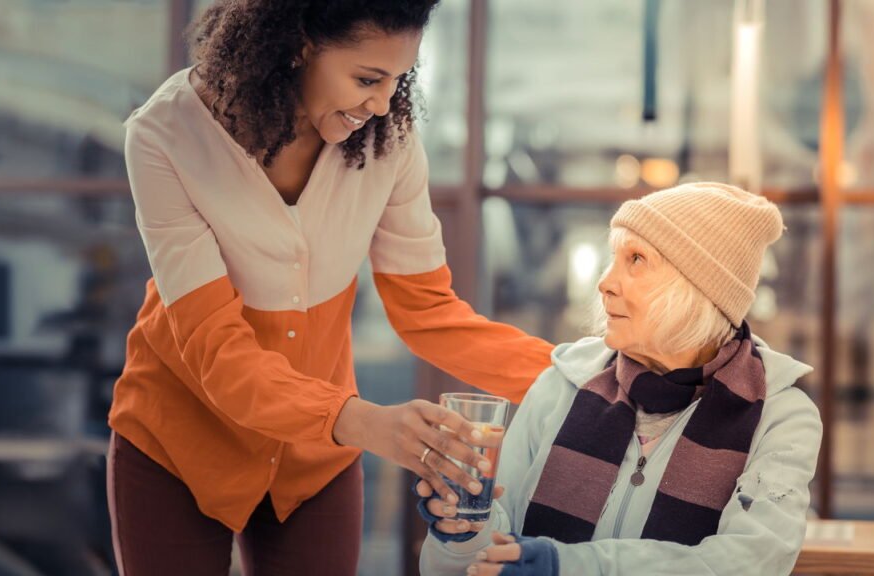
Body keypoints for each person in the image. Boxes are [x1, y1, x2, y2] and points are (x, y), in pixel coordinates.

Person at [106, 1, 552, 574]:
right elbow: (218, 351)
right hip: (179, 445)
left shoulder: (389, 140)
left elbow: (428, 312)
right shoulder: (164, 135)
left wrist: (585, 382)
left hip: (316, 457)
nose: (384, 104)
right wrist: (368, 423)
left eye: (398, 80)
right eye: (367, 78)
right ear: (296, 48)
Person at [417, 182, 824, 576]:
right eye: (613, 258)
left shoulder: (780, 415)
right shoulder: (563, 383)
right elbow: (485, 557)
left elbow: (748, 564)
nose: (605, 283)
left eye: (636, 260)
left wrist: (568, 567)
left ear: (698, 291)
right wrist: (463, 532)